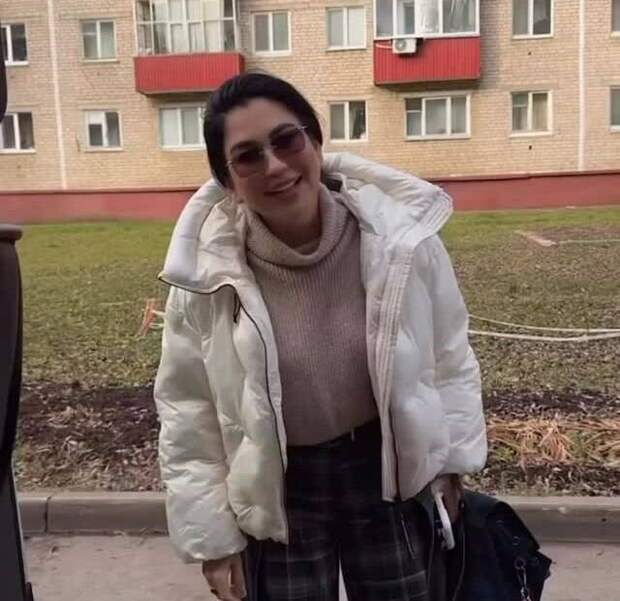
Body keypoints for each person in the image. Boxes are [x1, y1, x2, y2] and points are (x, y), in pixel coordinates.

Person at [154, 72, 487, 601]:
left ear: (314, 140)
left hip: (388, 468)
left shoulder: (399, 242)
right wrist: (213, 541)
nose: (275, 166)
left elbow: (448, 355)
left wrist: (451, 464)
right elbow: (187, 411)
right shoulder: (206, 278)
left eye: (287, 140)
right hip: (280, 487)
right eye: (248, 156)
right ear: (227, 179)